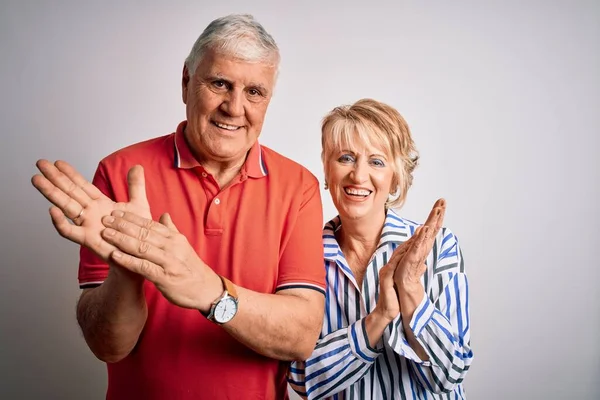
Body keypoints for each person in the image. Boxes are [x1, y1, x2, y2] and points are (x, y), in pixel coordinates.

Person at [31, 14, 326, 400]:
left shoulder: (298, 186)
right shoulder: (120, 174)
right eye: (220, 83)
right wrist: (127, 270)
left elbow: (300, 337)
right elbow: (108, 347)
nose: (234, 108)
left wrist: (210, 291)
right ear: (187, 82)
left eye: (254, 92)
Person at [287, 99, 473, 399]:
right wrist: (380, 317)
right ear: (326, 168)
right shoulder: (301, 255)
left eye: (376, 161)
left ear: (396, 176)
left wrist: (410, 289)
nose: (358, 176)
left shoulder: (439, 246)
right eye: (345, 158)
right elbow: (303, 377)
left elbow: (448, 375)